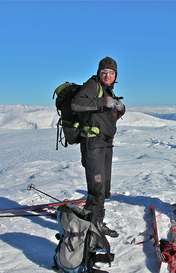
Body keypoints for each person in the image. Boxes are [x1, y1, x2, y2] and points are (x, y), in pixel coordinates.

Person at [71, 56, 125, 238]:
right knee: (96, 189)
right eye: (104, 72)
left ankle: (97, 223)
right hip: (93, 145)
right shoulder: (92, 85)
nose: (107, 75)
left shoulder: (107, 90)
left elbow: (106, 115)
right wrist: (104, 102)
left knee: (103, 188)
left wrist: (119, 108)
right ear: (98, 73)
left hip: (105, 144)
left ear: (115, 75)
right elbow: (76, 104)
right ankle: (90, 230)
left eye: (111, 73)